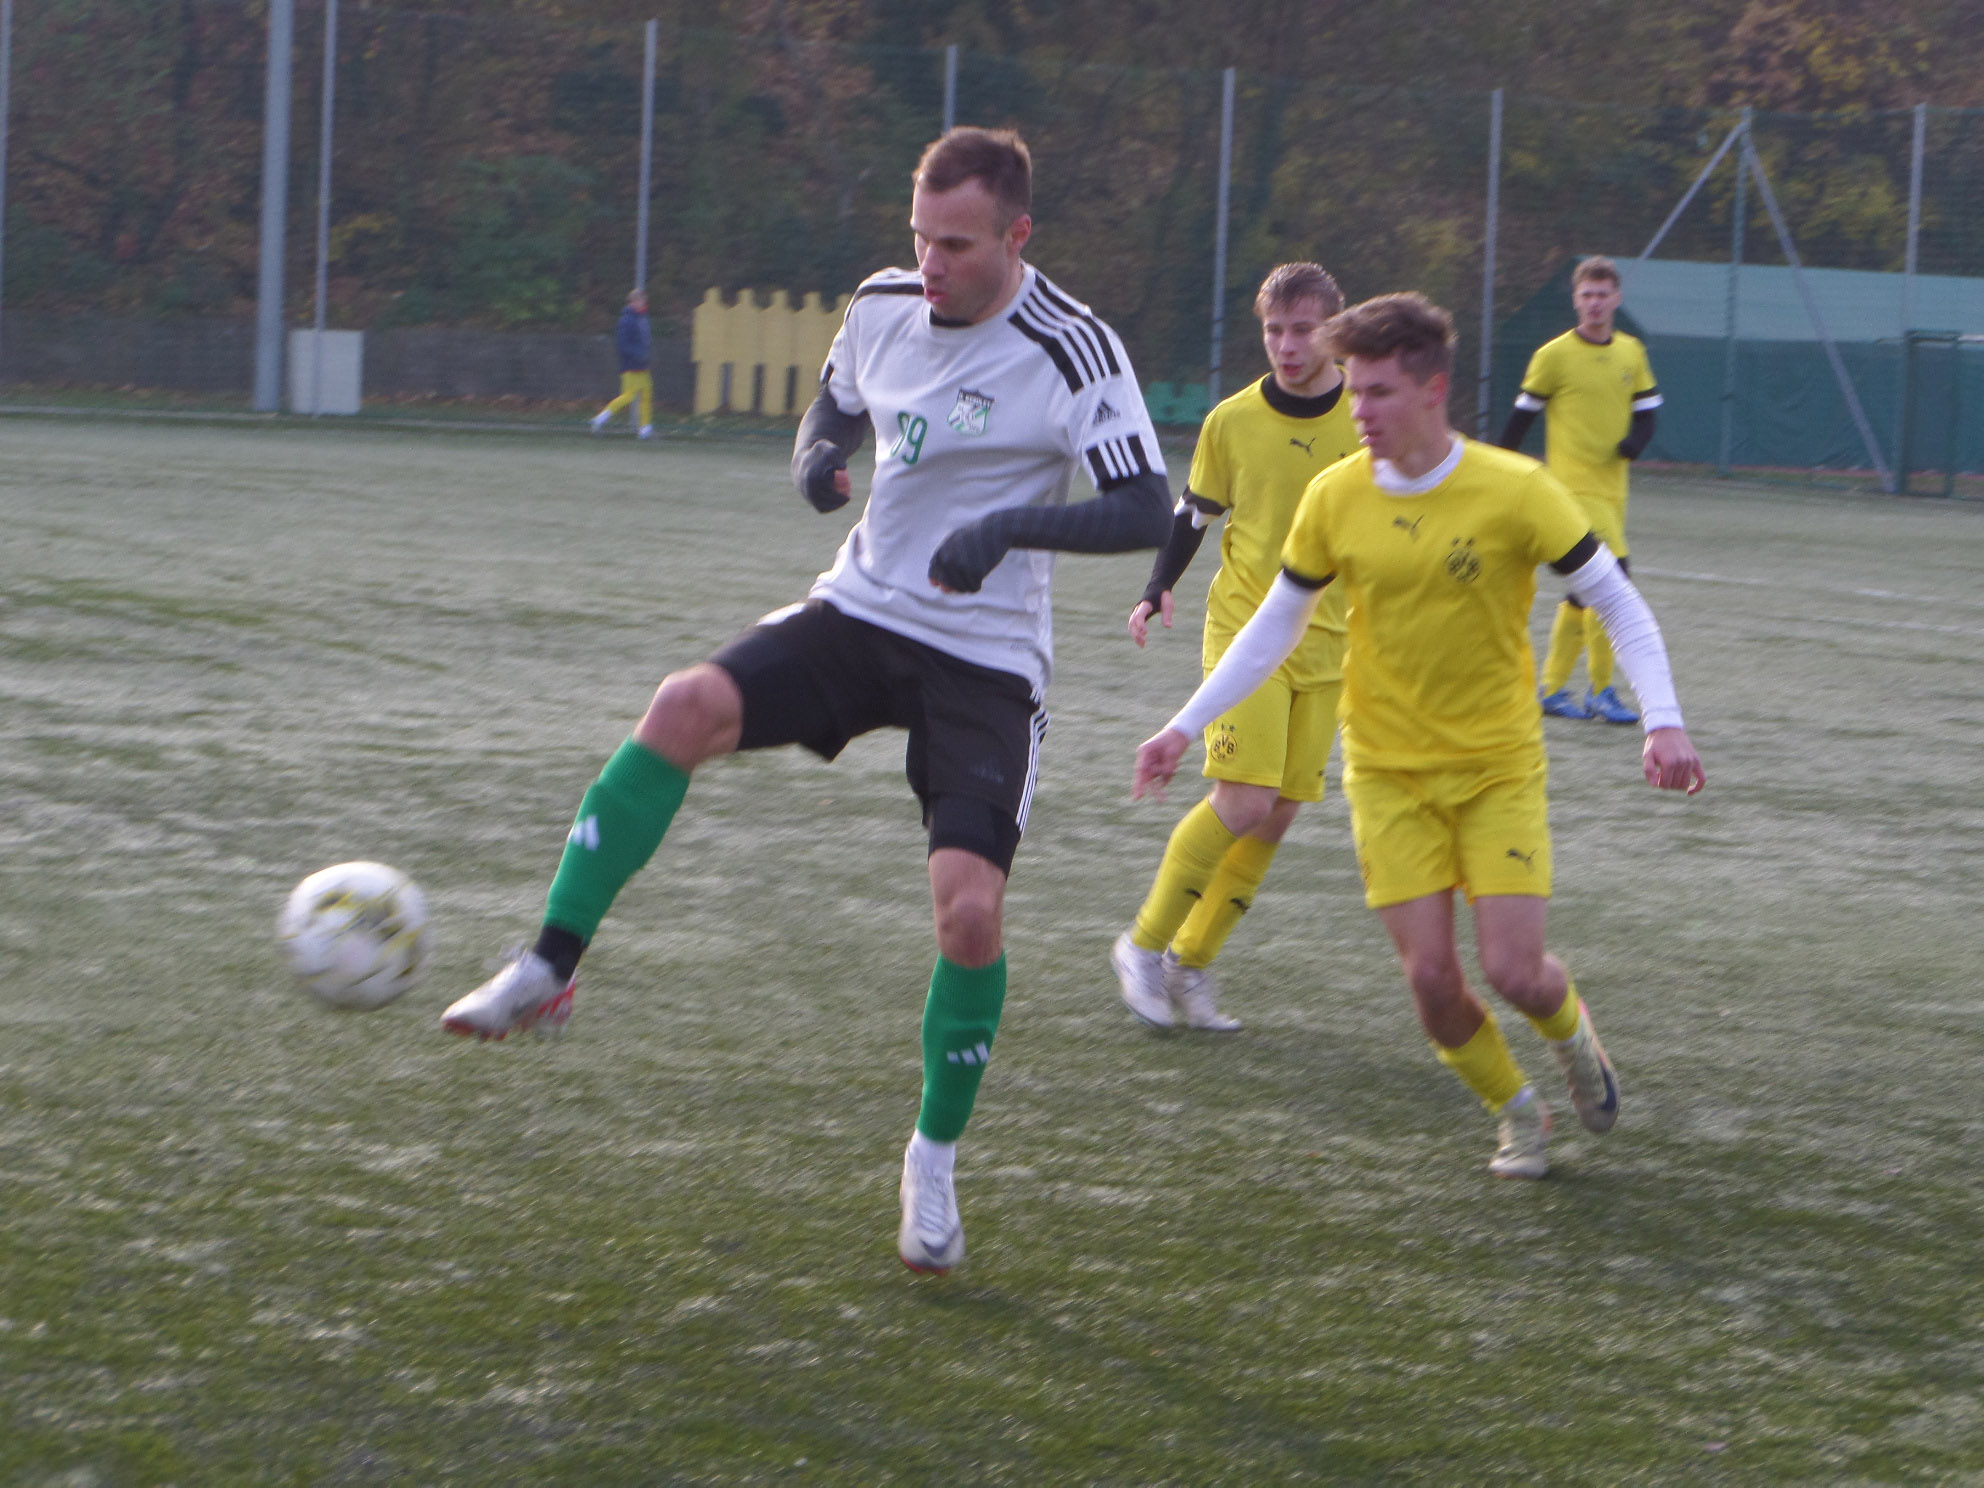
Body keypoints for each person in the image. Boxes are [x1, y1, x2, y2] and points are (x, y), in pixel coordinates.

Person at [443, 128, 1172, 1272]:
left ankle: (931, 1160)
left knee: (968, 914)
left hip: (984, 660)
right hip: (863, 611)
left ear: (1018, 236)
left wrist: (1005, 528)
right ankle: (547, 969)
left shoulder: (1072, 346)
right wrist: (813, 459)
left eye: (957, 245)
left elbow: (1142, 508)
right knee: (682, 707)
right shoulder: (882, 304)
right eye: (920, 237)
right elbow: (833, 407)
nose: (931, 263)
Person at [1133, 292, 1705, 1179]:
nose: (1358, 410)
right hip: (1387, 776)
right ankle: (1517, 1114)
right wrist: (1184, 726)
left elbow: (1618, 605)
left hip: (1495, 769)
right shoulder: (1335, 496)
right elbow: (1276, 624)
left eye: (1378, 392)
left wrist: (1663, 720)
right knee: (1432, 983)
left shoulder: (1515, 490)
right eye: (1355, 389)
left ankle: (1574, 1040)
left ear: (1433, 390)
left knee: (1516, 972)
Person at [1112, 263, 1359, 1032]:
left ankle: (1190, 962)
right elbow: (1195, 511)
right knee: (1244, 800)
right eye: (1274, 330)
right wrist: (1157, 584)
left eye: (1303, 330)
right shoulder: (1232, 420)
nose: (1287, 345)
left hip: (1332, 643)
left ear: (1334, 331)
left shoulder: (1368, 414)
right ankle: (1143, 946)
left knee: (1277, 814)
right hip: (1246, 631)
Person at [1500, 256, 1661, 723]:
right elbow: (1521, 418)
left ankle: (1551, 689)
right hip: (1572, 492)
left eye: (1602, 295)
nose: (1594, 303)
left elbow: (1649, 411)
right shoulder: (1553, 355)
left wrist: (1635, 443)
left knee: (1583, 594)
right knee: (1614, 581)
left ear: (1616, 299)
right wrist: (1500, 470)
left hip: (1614, 492)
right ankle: (1601, 690)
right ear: (1575, 300)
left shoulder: (1631, 351)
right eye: (1587, 295)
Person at [591, 288, 655, 439]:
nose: (643, 303)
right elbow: (622, 345)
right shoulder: (626, 320)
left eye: (644, 300)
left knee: (646, 394)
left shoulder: (642, 317)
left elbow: (644, 339)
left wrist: (645, 355)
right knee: (629, 396)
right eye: (641, 301)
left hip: (642, 364)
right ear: (633, 302)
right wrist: (638, 355)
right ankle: (601, 418)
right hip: (631, 365)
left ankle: (645, 428)